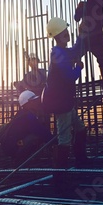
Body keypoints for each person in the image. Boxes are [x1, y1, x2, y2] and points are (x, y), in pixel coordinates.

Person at [41, 17, 88, 183]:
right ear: (58, 36)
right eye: (64, 32)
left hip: (66, 101)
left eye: (67, 31)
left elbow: (75, 51)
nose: (67, 33)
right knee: (64, 139)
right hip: (61, 103)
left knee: (81, 128)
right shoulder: (58, 54)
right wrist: (79, 68)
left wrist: (81, 35)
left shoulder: (61, 51)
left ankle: (81, 161)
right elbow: (69, 76)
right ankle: (59, 176)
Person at [0, 90, 53, 165]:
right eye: (33, 101)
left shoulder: (22, 114)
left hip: (10, 147)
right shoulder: (28, 116)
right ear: (27, 104)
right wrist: (54, 141)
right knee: (35, 136)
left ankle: (21, 157)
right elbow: (40, 131)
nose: (36, 103)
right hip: (14, 148)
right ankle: (21, 159)